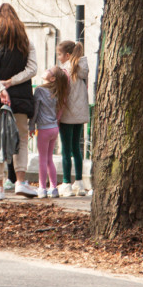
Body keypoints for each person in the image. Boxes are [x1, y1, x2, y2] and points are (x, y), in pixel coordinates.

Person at [0, 2, 39, 201]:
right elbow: (33, 68)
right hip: (19, 97)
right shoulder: (25, 41)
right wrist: (12, 82)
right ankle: (20, 182)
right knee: (20, 139)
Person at [56, 40, 90, 197]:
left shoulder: (64, 71)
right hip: (80, 115)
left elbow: (61, 95)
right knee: (77, 148)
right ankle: (80, 184)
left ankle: (66, 184)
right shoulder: (82, 70)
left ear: (67, 55)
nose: (58, 57)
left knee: (66, 149)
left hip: (67, 115)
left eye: (59, 54)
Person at [30, 66, 68, 198]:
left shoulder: (40, 90)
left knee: (42, 159)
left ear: (52, 78)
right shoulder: (58, 92)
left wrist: (31, 126)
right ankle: (53, 188)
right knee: (49, 159)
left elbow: (35, 111)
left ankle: (41, 188)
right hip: (54, 128)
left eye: (49, 71)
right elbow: (60, 110)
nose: (46, 69)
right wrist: (56, 121)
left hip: (43, 129)